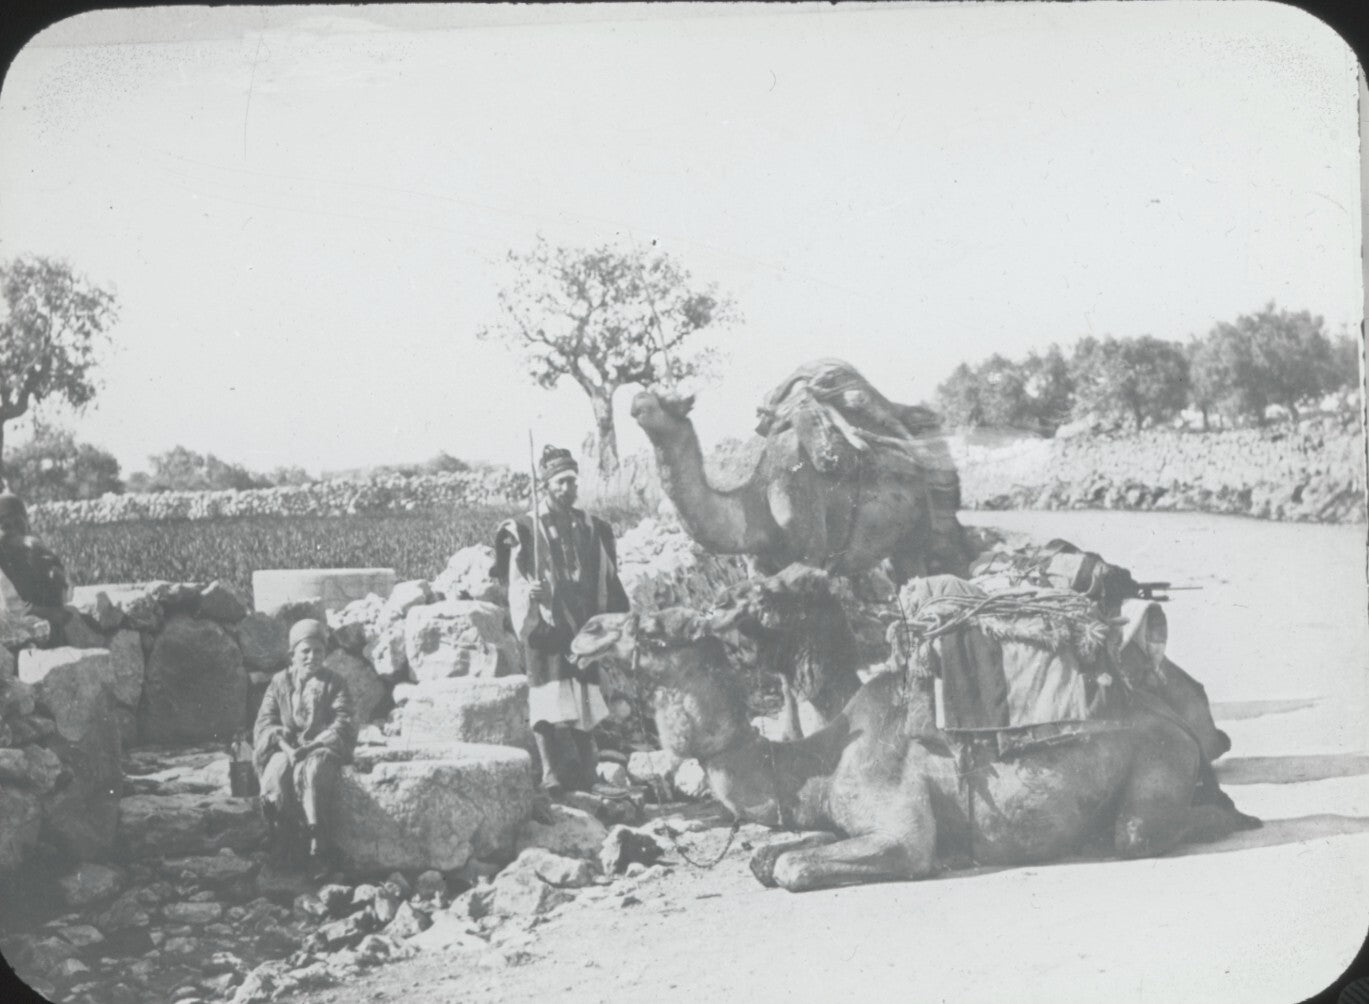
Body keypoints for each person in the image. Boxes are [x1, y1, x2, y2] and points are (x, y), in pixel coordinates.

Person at [495, 445, 630, 795]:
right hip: (545, 626)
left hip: (580, 625)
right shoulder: (526, 529)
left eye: (572, 482)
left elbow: (604, 574)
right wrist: (531, 593)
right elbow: (514, 580)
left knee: (584, 696)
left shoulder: (587, 526)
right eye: (561, 483)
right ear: (546, 485)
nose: (568, 489)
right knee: (546, 695)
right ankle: (550, 773)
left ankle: (589, 773)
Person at [253, 619, 355, 874]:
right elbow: (266, 721)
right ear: (293, 654)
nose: (312, 657)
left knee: (312, 773)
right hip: (286, 747)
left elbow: (344, 721)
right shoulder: (279, 682)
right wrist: (287, 749)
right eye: (305, 651)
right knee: (275, 776)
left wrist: (312, 746)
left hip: (322, 745)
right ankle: (283, 843)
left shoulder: (335, 682)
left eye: (318, 651)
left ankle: (317, 845)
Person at [0, 491, 72, 637]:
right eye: (6, 526)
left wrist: (41, 553)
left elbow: (67, 592)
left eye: (18, 523)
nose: (13, 530)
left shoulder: (33, 548)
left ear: (26, 523)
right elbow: (12, 607)